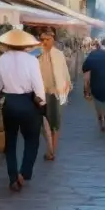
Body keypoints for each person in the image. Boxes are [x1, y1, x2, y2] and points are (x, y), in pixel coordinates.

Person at [0, 29, 46, 192]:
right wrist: (42, 103)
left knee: (11, 141)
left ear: (8, 44)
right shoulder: (32, 60)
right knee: (32, 140)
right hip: (28, 103)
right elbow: (38, 86)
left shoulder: (1, 60)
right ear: (25, 45)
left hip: (10, 103)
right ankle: (24, 173)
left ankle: (12, 177)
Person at [38, 29, 72, 161]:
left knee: (55, 122)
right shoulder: (37, 55)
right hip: (41, 93)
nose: (45, 42)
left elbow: (64, 72)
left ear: (53, 40)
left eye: (48, 39)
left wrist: (67, 87)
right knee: (42, 121)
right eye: (43, 39)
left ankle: (52, 150)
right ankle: (50, 147)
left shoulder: (59, 54)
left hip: (57, 92)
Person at [82, 36, 105, 131]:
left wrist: (86, 87)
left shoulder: (92, 55)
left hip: (96, 84)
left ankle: (102, 119)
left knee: (98, 103)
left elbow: (84, 68)